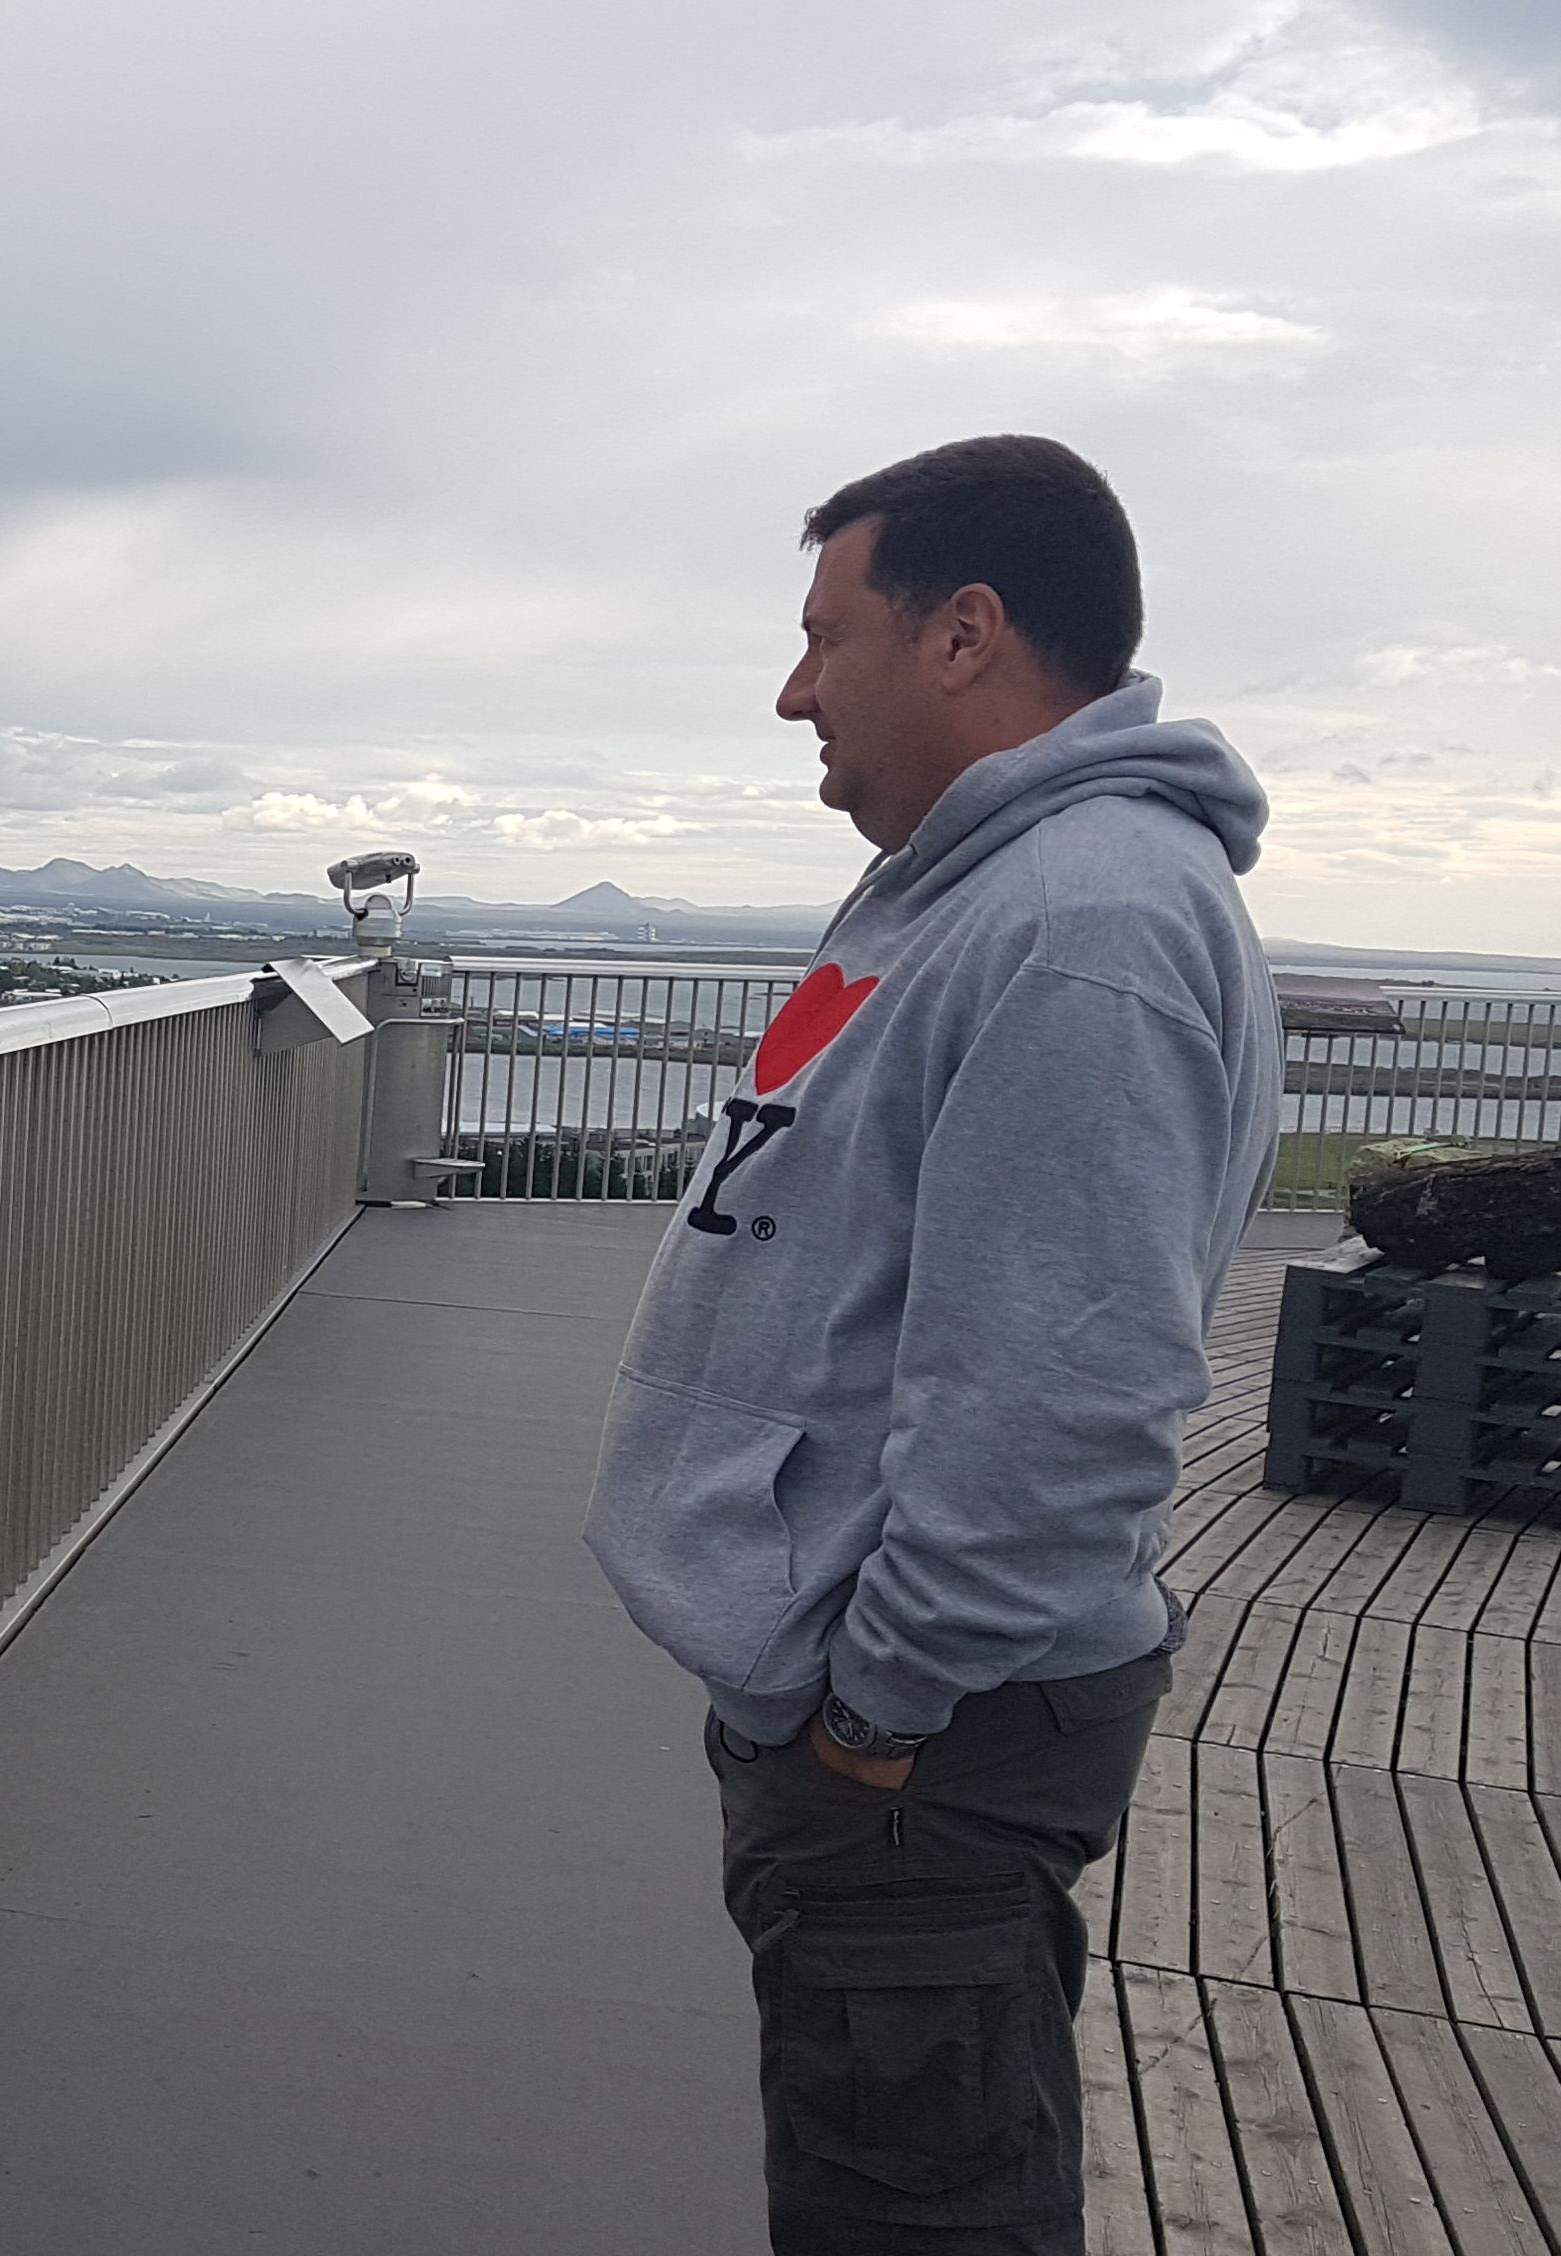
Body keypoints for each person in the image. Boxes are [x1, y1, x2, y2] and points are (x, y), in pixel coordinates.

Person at [583, 434, 1279, 2253]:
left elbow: (1064, 1400)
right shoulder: (984, 890)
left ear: (963, 633)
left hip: (921, 1744)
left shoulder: (1078, 924)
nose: (793, 690)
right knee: (882, 2171)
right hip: (873, 1712)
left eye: (828, 636)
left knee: (915, 2212)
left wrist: (877, 1717)